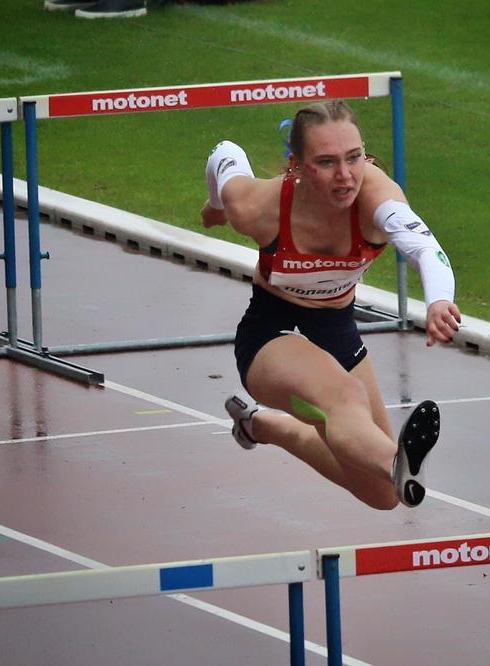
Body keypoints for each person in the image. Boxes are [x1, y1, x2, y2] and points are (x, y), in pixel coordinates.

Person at [201, 101, 461, 509]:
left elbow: (426, 249)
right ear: (297, 165)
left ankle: (262, 426)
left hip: (337, 331)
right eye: (326, 162)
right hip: (271, 333)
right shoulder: (257, 208)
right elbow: (224, 152)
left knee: (384, 496)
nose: (345, 175)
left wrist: (439, 301)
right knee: (346, 398)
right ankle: (396, 461)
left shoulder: (376, 198)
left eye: (354, 157)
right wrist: (217, 206)